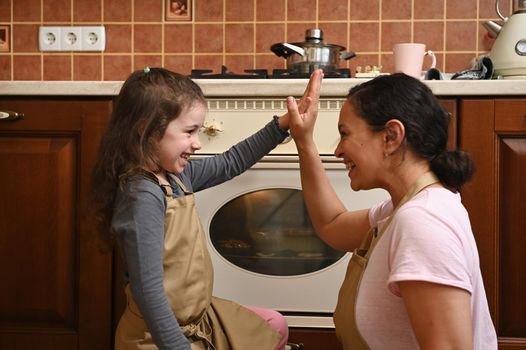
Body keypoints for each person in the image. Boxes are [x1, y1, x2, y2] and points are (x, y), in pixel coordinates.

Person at [90, 67, 320, 350]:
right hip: (158, 337)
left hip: (199, 319)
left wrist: (284, 123)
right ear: (146, 130)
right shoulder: (143, 196)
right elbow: (148, 292)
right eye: (189, 132)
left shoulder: (176, 176)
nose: (198, 144)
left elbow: (230, 162)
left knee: (274, 324)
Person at [286, 72, 498, 349]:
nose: (337, 150)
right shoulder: (402, 209)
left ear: (391, 137)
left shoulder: (422, 222)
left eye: (345, 134)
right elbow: (332, 225)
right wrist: (304, 142)